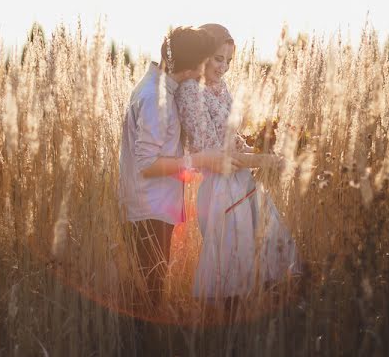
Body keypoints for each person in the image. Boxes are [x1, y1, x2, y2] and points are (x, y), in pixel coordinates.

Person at [174, 23, 300, 302]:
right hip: (220, 192)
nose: (223, 67)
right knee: (231, 283)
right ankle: (224, 341)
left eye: (229, 61)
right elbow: (213, 155)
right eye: (218, 58)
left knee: (267, 269)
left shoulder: (222, 87)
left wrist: (269, 151)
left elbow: (233, 140)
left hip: (243, 184)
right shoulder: (190, 92)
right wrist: (262, 160)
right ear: (203, 55)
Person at [118, 26, 242, 308]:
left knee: (150, 291)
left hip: (154, 205)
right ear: (191, 68)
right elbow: (147, 164)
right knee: (150, 297)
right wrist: (201, 160)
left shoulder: (158, 88)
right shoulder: (155, 99)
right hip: (148, 210)